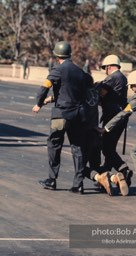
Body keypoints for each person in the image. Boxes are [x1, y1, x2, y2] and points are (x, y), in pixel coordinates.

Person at [32, 41, 90, 194]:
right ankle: (78, 184)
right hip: (79, 115)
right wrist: (51, 99)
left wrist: (38, 103)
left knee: (54, 145)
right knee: (77, 148)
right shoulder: (80, 71)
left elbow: (44, 87)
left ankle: (52, 179)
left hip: (62, 115)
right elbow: (80, 89)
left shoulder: (58, 69)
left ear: (57, 55)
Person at [95, 54, 133, 189]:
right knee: (109, 147)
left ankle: (124, 170)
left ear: (109, 67)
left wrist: (95, 87)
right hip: (119, 118)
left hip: (112, 118)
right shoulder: (122, 77)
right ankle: (105, 178)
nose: (105, 70)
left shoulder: (113, 77)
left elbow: (100, 93)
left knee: (106, 148)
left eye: (105, 68)